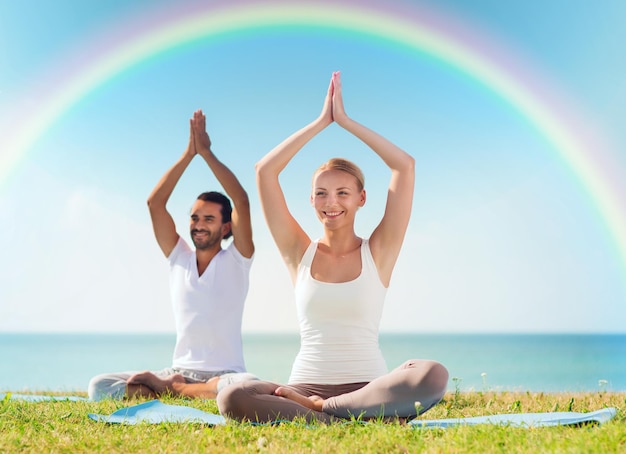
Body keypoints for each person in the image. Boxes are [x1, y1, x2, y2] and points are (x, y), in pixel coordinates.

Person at [217, 72, 448, 423]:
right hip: (302, 390)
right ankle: (353, 419)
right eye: (322, 193)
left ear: (361, 199)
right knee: (232, 395)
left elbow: (404, 165)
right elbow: (265, 171)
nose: (331, 202)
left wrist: (346, 121)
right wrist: (321, 122)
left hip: (368, 390)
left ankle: (328, 414)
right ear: (311, 199)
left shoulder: (378, 253)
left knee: (433, 373)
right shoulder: (299, 253)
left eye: (342, 193)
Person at [88, 109, 257, 400]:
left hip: (225, 374)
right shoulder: (179, 257)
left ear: (227, 226)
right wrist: (188, 155)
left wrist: (206, 154)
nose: (198, 225)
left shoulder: (238, 259)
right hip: (178, 369)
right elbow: (155, 203)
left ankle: (173, 391)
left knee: (246, 386)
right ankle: (180, 388)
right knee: (99, 386)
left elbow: (241, 199)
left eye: (208, 219)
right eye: (194, 218)